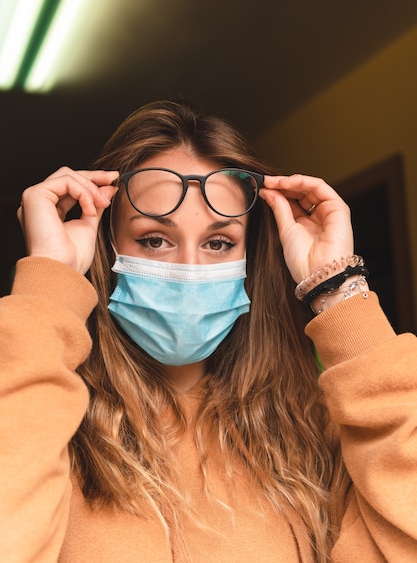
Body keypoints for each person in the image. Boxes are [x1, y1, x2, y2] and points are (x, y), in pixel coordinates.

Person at [1, 99, 417, 563]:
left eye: (219, 243)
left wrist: (338, 289)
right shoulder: (43, 415)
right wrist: (49, 284)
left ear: (248, 261)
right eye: (154, 240)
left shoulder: (310, 435)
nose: (189, 271)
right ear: (106, 248)